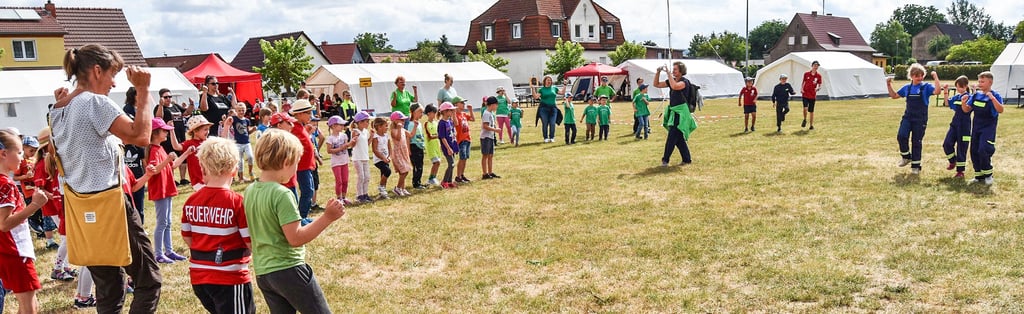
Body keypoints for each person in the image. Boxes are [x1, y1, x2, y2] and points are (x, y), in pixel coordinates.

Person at [49, 44, 161, 313]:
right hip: (111, 204)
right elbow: (140, 135)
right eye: (112, 75)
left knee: (108, 287)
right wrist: (144, 92)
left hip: (81, 208)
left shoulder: (57, 107)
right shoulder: (95, 102)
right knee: (149, 280)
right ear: (97, 71)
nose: (113, 83)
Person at [244, 129, 344, 314]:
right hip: (289, 270)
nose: (296, 169)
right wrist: (327, 217)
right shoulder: (282, 194)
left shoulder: (250, 190)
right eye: (296, 163)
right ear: (286, 162)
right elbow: (296, 238)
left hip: (264, 273)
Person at [181, 137, 255, 314]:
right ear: (234, 169)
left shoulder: (191, 201)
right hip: (229, 277)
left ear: (203, 168)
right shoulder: (237, 202)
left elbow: (187, 236)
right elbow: (250, 241)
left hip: (199, 277)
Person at [0, 129, 52, 314]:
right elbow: (4, 224)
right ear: (4, 154)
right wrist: (35, 205)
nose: (23, 158)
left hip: (8, 251)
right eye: (20, 152)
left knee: (30, 303)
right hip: (15, 251)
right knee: (29, 306)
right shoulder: (5, 184)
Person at [148, 118, 192, 264]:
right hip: (160, 190)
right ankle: (158, 253)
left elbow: (173, 165)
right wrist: (167, 160)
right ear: (155, 133)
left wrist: (186, 154)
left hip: (166, 188)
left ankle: (169, 250)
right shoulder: (153, 150)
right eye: (164, 130)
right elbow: (154, 171)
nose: (166, 132)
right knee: (162, 222)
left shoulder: (160, 148)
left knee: (168, 222)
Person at [886, 64, 940, 175]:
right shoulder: (907, 88)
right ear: (911, 76)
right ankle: (906, 157)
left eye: (921, 76)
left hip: (920, 119)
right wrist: (888, 84)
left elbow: (937, 92)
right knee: (901, 136)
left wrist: (935, 78)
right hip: (908, 117)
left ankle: (916, 166)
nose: (919, 78)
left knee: (916, 142)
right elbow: (894, 96)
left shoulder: (926, 87)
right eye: (917, 76)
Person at [962, 71, 1004, 185]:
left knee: (984, 149)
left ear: (990, 82)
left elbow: (1001, 110)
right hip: (976, 127)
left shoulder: (995, 95)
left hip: (988, 128)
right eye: (979, 81)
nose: (980, 83)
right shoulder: (976, 95)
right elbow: (966, 110)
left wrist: (992, 99)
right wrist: (964, 103)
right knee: (974, 151)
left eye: (983, 81)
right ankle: (978, 175)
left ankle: (988, 175)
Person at [653, 61, 696, 166]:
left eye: (675, 69)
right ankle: (687, 159)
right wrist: (658, 72)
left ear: (681, 71)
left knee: (672, 136)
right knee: (678, 138)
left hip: (681, 113)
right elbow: (656, 84)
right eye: (673, 69)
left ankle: (665, 160)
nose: (673, 71)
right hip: (674, 111)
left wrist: (668, 74)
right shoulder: (671, 81)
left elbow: (675, 86)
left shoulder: (684, 82)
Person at [288, 98, 318, 226]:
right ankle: (301, 217)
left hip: (307, 166)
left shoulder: (301, 127)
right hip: (300, 167)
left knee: (309, 191)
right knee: (307, 191)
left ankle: (302, 216)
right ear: (299, 114)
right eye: (308, 113)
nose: (310, 116)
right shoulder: (294, 128)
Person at [155, 88, 192, 185]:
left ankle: (183, 178)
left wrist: (191, 105)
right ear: (161, 98)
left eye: (170, 96)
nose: (168, 99)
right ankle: (170, 178)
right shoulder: (160, 107)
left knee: (182, 156)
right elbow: (158, 117)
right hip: (168, 136)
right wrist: (161, 105)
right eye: (166, 97)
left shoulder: (175, 106)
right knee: (170, 156)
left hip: (180, 134)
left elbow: (186, 113)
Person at [941, 76, 972, 178]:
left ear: (966, 86)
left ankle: (960, 171)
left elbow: (966, 110)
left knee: (961, 148)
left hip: (965, 126)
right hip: (954, 124)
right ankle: (952, 161)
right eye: (957, 87)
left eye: (960, 87)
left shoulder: (969, 97)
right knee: (947, 144)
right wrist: (945, 91)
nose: (959, 89)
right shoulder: (957, 97)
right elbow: (947, 103)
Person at [326, 116, 356, 204]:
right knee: (339, 181)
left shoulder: (344, 135)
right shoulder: (330, 138)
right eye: (341, 125)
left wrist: (352, 143)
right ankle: (339, 198)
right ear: (334, 126)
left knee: (345, 180)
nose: (343, 126)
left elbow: (347, 146)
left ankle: (344, 197)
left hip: (344, 161)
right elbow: (329, 151)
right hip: (336, 163)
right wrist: (341, 148)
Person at [225, 103, 256, 182]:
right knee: (240, 161)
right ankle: (241, 177)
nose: (241, 112)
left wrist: (253, 130)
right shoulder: (234, 119)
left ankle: (250, 172)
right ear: (236, 111)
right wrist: (226, 119)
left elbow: (247, 132)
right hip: (238, 143)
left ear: (245, 111)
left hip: (246, 142)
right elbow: (228, 121)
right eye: (239, 110)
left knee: (250, 157)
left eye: (243, 110)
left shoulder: (247, 120)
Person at [182, 116, 214, 191]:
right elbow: (176, 146)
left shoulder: (207, 142)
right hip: (198, 181)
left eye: (208, 129)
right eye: (205, 129)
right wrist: (172, 131)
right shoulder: (189, 143)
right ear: (195, 131)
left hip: (209, 178)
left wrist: (226, 126)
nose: (208, 132)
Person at [530, 76, 565, 143]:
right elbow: (535, 97)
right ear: (545, 81)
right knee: (545, 123)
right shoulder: (542, 90)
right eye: (548, 80)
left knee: (552, 123)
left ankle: (552, 137)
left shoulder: (554, 88)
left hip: (553, 108)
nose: (549, 81)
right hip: (544, 108)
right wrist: (533, 89)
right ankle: (545, 137)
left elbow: (562, 93)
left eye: (550, 80)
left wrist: (565, 85)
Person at [350, 112, 373, 203]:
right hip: (358, 157)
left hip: (365, 157)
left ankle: (365, 193)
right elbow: (353, 145)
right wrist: (355, 138)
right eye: (366, 121)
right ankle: (360, 195)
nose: (367, 123)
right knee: (361, 177)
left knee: (367, 176)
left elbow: (367, 144)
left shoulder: (365, 132)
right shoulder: (355, 132)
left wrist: (371, 136)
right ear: (359, 122)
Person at [389, 112, 414, 196]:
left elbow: (410, 135)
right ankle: (398, 188)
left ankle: (402, 188)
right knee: (404, 171)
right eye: (401, 120)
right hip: (398, 153)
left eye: (404, 120)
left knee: (404, 171)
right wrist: (399, 129)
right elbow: (398, 138)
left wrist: (415, 126)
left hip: (404, 152)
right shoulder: (393, 130)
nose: (403, 122)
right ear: (395, 121)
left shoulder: (403, 129)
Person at [452, 96, 475, 183]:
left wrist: (471, 110)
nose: (463, 104)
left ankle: (462, 174)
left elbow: (473, 119)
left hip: (467, 138)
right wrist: (454, 112)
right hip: (461, 140)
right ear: (456, 105)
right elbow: (455, 123)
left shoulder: (463, 114)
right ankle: (458, 176)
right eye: (461, 103)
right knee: (462, 158)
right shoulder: (456, 115)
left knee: (465, 158)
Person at [437, 102, 459, 189]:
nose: (452, 112)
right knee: (451, 164)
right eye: (451, 110)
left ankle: (449, 181)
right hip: (447, 147)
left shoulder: (449, 121)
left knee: (453, 164)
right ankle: (444, 181)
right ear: (445, 112)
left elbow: (456, 124)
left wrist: (454, 114)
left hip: (452, 145)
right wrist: (448, 148)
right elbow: (442, 137)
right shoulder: (442, 123)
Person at [370, 117, 393, 199]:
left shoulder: (387, 136)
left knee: (383, 174)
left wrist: (389, 156)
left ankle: (383, 192)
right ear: (379, 127)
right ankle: (381, 187)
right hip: (378, 160)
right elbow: (375, 150)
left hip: (386, 159)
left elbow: (390, 147)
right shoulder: (376, 137)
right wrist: (383, 157)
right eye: (386, 126)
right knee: (387, 171)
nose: (387, 128)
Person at [480, 97, 501, 179]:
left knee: (490, 155)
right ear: (492, 105)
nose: (497, 107)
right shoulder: (486, 113)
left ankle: (490, 172)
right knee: (485, 155)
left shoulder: (491, 113)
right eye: (496, 105)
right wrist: (495, 130)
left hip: (490, 136)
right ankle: (484, 173)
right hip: (485, 137)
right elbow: (485, 126)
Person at [407, 104, 427, 189]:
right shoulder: (410, 124)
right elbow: (408, 137)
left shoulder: (418, 123)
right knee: (417, 166)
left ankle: (419, 181)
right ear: (413, 112)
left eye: (422, 112)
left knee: (420, 165)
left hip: (420, 146)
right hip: (414, 146)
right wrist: (408, 150)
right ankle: (416, 183)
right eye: (420, 112)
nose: (421, 114)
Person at [423, 105, 442, 186]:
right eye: (433, 112)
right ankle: (431, 178)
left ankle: (433, 177)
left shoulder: (436, 123)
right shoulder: (427, 124)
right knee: (436, 162)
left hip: (437, 145)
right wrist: (439, 135)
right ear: (428, 113)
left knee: (438, 162)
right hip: (431, 146)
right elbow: (430, 136)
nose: (434, 114)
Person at [801, 60, 822, 130]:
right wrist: (801, 89)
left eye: (817, 66)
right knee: (805, 108)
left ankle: (811, 125)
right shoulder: (806, 74)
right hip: (805, 94)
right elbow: (803, 82)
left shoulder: (818, 76)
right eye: (815, 65)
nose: (816, 67)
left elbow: (819, 85)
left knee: (811, 111)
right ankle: (804, 119)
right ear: (812, 66)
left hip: (812, 95)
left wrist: (818, 88)